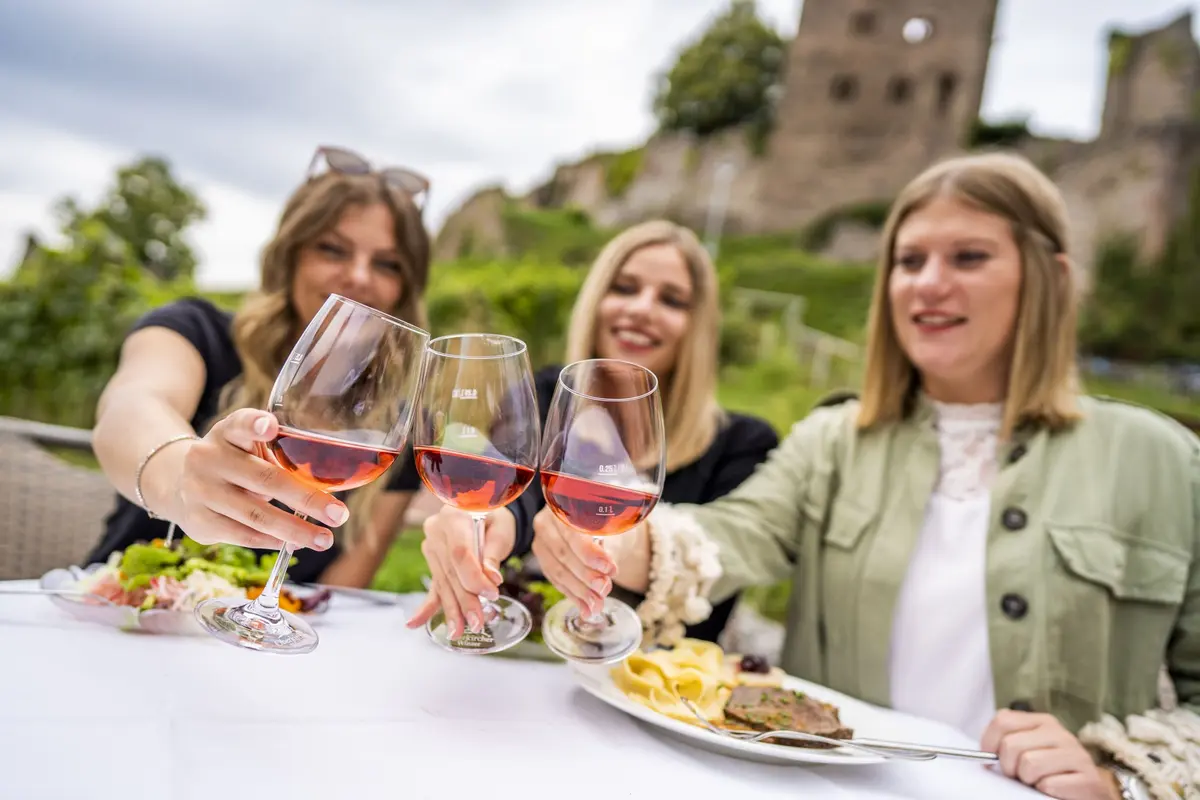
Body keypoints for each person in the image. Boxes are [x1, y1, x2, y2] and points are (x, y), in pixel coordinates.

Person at [429, 154, 1200, 799]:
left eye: (969, 257)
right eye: (909, 261)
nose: (928, 283)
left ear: (1051, 278)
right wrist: (610, 545)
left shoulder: (1162, 458)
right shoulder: (834, 440)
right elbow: (729, 535)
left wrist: (1125, 775)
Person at [409, 220, 779, 644]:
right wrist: (492, 519)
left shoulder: (743, 443)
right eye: (624, 288)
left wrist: (627, 550)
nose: (642, 308)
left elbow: (713, 594)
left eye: (672, 300)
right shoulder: (547, 394)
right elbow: (522, 488)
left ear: (699, 325)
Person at [89, 145, 433, 588]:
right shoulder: (196, 332)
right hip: (124, 613)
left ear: (405, 288)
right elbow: (130, 408)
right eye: (332, 250)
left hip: (275, 634)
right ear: (289, 258)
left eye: (387, 264)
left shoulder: (397, 430)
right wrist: (178, 476)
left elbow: (340, 594)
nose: (360, 276)